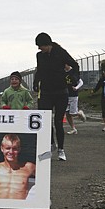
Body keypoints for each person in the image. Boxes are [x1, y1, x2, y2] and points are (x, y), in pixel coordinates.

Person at [33, 32, 79, 161]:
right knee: (46, 121)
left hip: (61, 92)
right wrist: (36, 82)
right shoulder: (39, 56)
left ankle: (61, 149)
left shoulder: (60, 52)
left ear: (47, 44)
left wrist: (74, 78)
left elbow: (74, 65)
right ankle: (51, 145)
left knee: (58, 122)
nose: (39, 49)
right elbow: (40, 70)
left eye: (40, 46)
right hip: (46, 92)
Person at [0, 134, 36, 199]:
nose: (11, 152)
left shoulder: (29, 167)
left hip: (18, 207)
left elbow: (45, 178)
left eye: (14, 149)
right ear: (2, 148)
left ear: (19, 149)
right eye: (8, 148)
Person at [64, 64, 84, 135]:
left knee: (72, 113)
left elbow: (81, 82)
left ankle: (79, 113)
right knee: (67, 113)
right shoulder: (63, 72)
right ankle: (73, 128)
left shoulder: (73, 72)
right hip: (65, 95)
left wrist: (76, 87)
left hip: (73, 95)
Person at [92, 66, 105, 132]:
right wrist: (94, 91)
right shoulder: (102, 79)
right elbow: (98, 86)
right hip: (104, 97)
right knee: (104, 111)